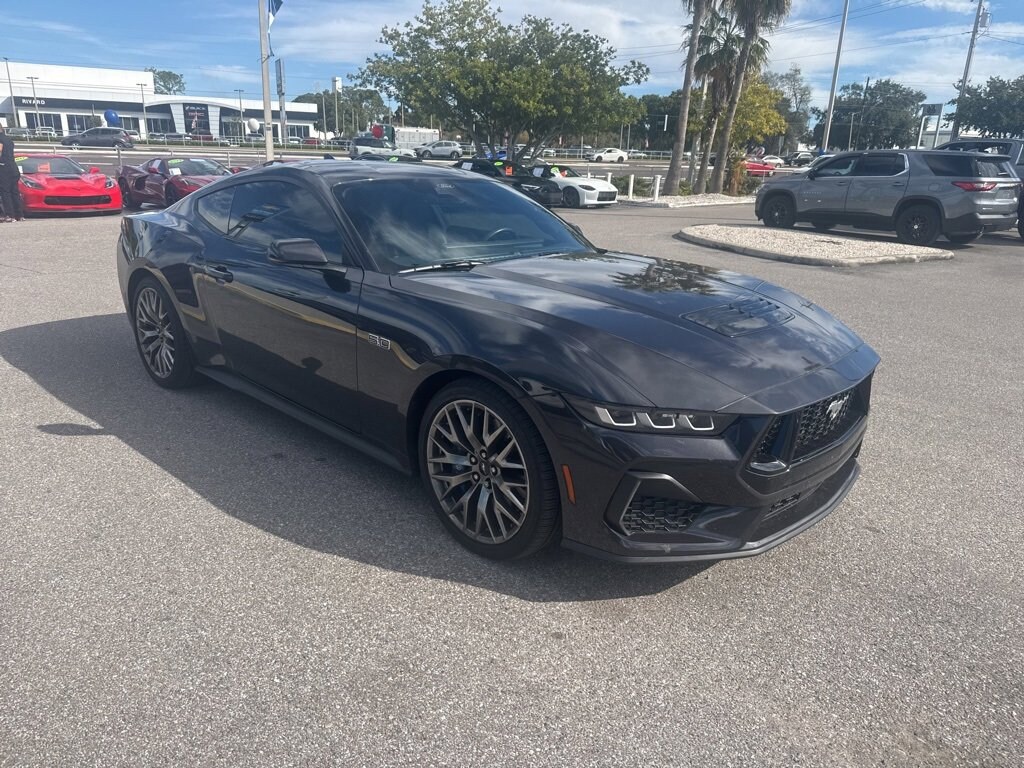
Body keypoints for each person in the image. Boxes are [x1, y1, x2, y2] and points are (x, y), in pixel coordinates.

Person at [0, 126, 26, 222]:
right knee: (14, 191)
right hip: (13, 167)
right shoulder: (9, 140)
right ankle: (19, 215)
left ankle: (9, 215)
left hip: (3, 167)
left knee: (5, 192)